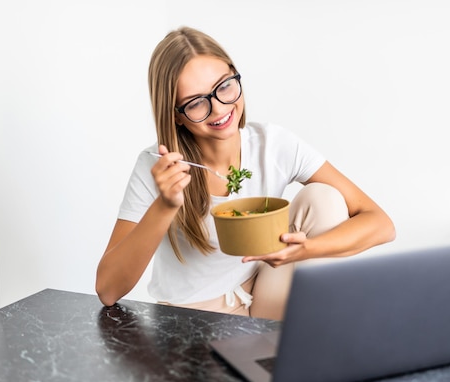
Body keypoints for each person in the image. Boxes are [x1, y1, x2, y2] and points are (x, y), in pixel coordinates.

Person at [96, 26, 395, 320]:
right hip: (193, 320)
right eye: (197, 102)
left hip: (267, 292)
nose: (218, 109)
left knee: (324, 199)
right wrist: (165, 205)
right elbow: (108, 291)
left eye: (224, 86)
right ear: (175, 115)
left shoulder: (273, 144)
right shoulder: (157, 166)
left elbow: (381, 224)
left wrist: (306, 251)